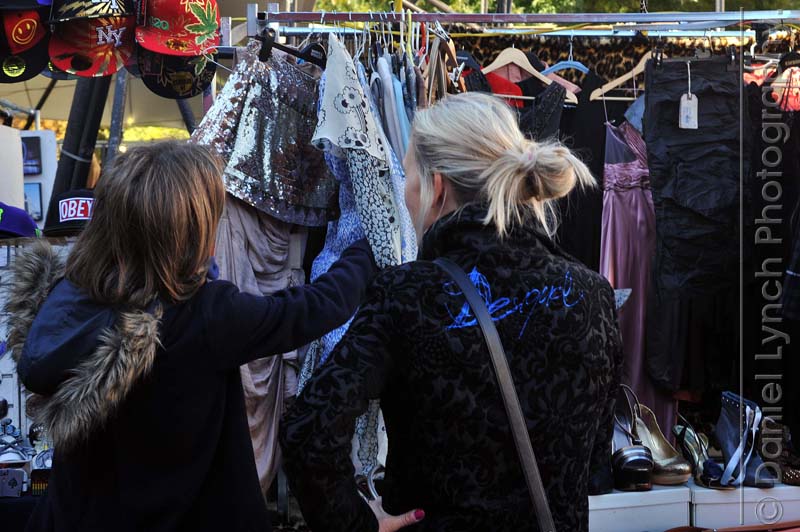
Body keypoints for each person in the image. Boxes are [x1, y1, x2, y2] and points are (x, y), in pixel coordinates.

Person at [281, 92, 623, 532]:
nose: (405, 194)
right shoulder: (594, 296)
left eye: (408, 176)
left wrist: (357, 524)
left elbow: (308, 433)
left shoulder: (407, 296)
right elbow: (596, 468)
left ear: (436, 186)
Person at [5, 142, 378, 532]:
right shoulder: (203, 316)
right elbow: (315, 307)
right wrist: (368, 246)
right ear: (192, 233)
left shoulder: (67, 296)